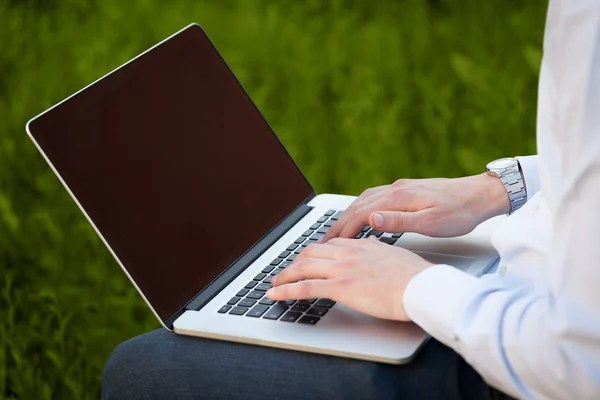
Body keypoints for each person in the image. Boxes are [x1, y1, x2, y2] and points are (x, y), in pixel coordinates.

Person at [102, 1, 600, 399]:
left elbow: (578, 367)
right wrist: (505, 186)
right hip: (532, 283)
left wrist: (415, 287)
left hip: (520, 363)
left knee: (142, 370)